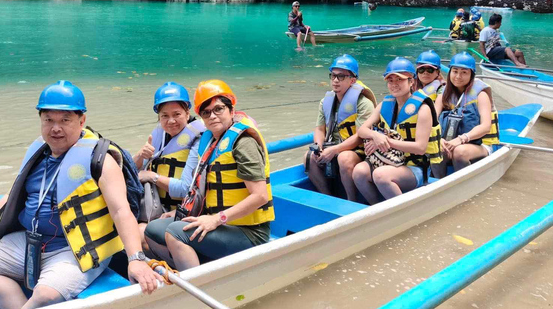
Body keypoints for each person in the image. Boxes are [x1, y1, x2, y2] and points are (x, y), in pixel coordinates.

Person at [0, 81, 162, 308]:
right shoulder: (39, 152)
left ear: (82, 120)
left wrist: (136, 259)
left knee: (45, 296)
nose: (56, 128)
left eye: (65, 120)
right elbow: (11, 196)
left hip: (75, 250)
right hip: (31, 241)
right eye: (49, 120)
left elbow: (121, 210)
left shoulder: (99, 159)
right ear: (41, 121)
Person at [143, 80, 273, 271]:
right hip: (218, 221)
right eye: (206, 112)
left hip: (249, 232)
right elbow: (203, 189)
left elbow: (260, 196)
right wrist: (183, 212)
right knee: (153, 229)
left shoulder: (243, 142)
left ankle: (197, 283)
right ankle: (193, 265)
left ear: (231, 109)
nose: (212, 116)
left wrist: (216, 219)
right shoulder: (210, 140)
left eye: (218, 109)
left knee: (175, 233)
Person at [352, 58, 443, 203]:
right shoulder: (384, 105)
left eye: (399, 80)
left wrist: (385, 142)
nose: (394, 84)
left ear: (411, 81)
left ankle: (403, 212)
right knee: (359, 172)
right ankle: (377, 208)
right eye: (390, 80)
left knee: (380, 175)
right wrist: (375, 136)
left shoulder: (423, 108)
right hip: (388, 161)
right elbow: (362, 130)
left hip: (414, 167)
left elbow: (420, 148)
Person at [133, 82, 205, 246]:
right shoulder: (159, 134)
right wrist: (139, 156)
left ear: (187, 113)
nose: (171, 121)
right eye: (165, 116)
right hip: (157, 207)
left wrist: (152, 176)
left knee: (139, 235)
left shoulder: (198, 139)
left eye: (177, 114)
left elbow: (186, 189)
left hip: (184, 210)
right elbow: (133, 172)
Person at [305, 54, 376, 201]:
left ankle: (351, 200)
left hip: (359, 150)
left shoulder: (363, 103)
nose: (336, 80)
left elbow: (360, 136)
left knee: (344, 158)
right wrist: (318, 146)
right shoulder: (326, 101)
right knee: (310, 157)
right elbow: (319, 129)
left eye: (341, 76)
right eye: (333, 76)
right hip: (335, 146)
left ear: (352, 80)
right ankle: (327, 197)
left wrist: (335, 150)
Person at [435, 53, 501, 171]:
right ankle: (436, 181)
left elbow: (486, 126)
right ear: (450, 72)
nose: (458, 76)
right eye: (455, 71)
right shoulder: (443, 94)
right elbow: (431, 122)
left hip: (479, 144)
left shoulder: (481, 94)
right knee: (436, 147)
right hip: (450, 141)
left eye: (464, 72)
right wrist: (439, 139)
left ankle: (463, 182)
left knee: (460, 152)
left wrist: (460, 139)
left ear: (471, 74)